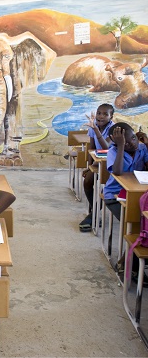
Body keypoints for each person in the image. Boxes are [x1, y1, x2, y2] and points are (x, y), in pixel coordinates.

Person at [103, 123, 148, 284]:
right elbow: (117, 171)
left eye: (133, 139)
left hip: (138, 194)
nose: (132, 144)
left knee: (142, 223)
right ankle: (126, 265)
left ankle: (134, 263)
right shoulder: (114, 151)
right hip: (115, 196)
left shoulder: (142, 148)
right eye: (126, 142)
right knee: (137, 226)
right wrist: (121, 146)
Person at [79, 104, 115, 232]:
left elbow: (106, 146)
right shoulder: (94, 125)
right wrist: (89, 166)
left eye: (105, 114)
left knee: (106, 189)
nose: (101, 116)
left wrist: (95, 129)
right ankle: (93, 212)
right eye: (99, 113)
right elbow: (92, 148)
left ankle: (93, 215)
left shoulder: (113, 128)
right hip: (99, 161)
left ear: (111, 116)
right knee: (87, 181)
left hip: (113, 162)